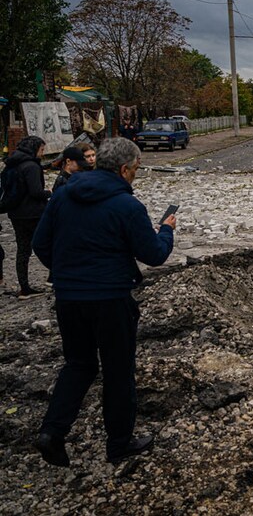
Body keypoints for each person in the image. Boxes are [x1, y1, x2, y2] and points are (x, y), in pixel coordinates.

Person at [31, 137, 176, 467]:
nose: (136, 175)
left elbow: (41, 243)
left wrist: (68, 271)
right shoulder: (128, 206)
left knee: (78, 365)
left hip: (68, 297)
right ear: (125, 170)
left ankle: (52, 433)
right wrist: (166, 231)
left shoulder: (64, 194)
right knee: (117, 371)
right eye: (136, 169)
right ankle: (119, 444)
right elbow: (153, 254)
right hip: (110, 298)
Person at [3, 136, 51, 299]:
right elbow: (36, 192)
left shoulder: (13, 163)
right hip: (34, 213)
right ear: (35, 148)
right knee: (48, 244)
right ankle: (55, 279)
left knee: (22, 250)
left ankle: (24, 287)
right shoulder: (31, 166)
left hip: (16, 213)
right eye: (42, 150)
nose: (42, 153)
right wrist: (49, 193)